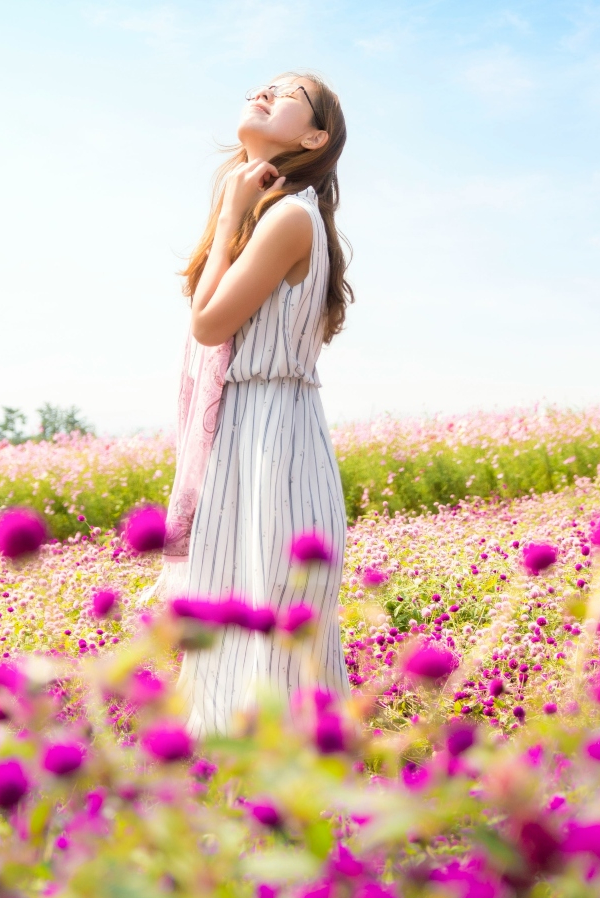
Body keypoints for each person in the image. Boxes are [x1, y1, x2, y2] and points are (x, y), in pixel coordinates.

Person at [153, 71, 352, 736]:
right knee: (237, 631)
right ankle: (240, 804)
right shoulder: (281, 210)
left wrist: (235, 213)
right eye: (262, 85)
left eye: (287, 94)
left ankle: (291, 808)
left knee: (269, 633)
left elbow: (207, 323)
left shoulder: (289, 216)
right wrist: (234, 209)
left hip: (271, 444)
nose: (264, 93)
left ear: (316, 137)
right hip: (253, 434)